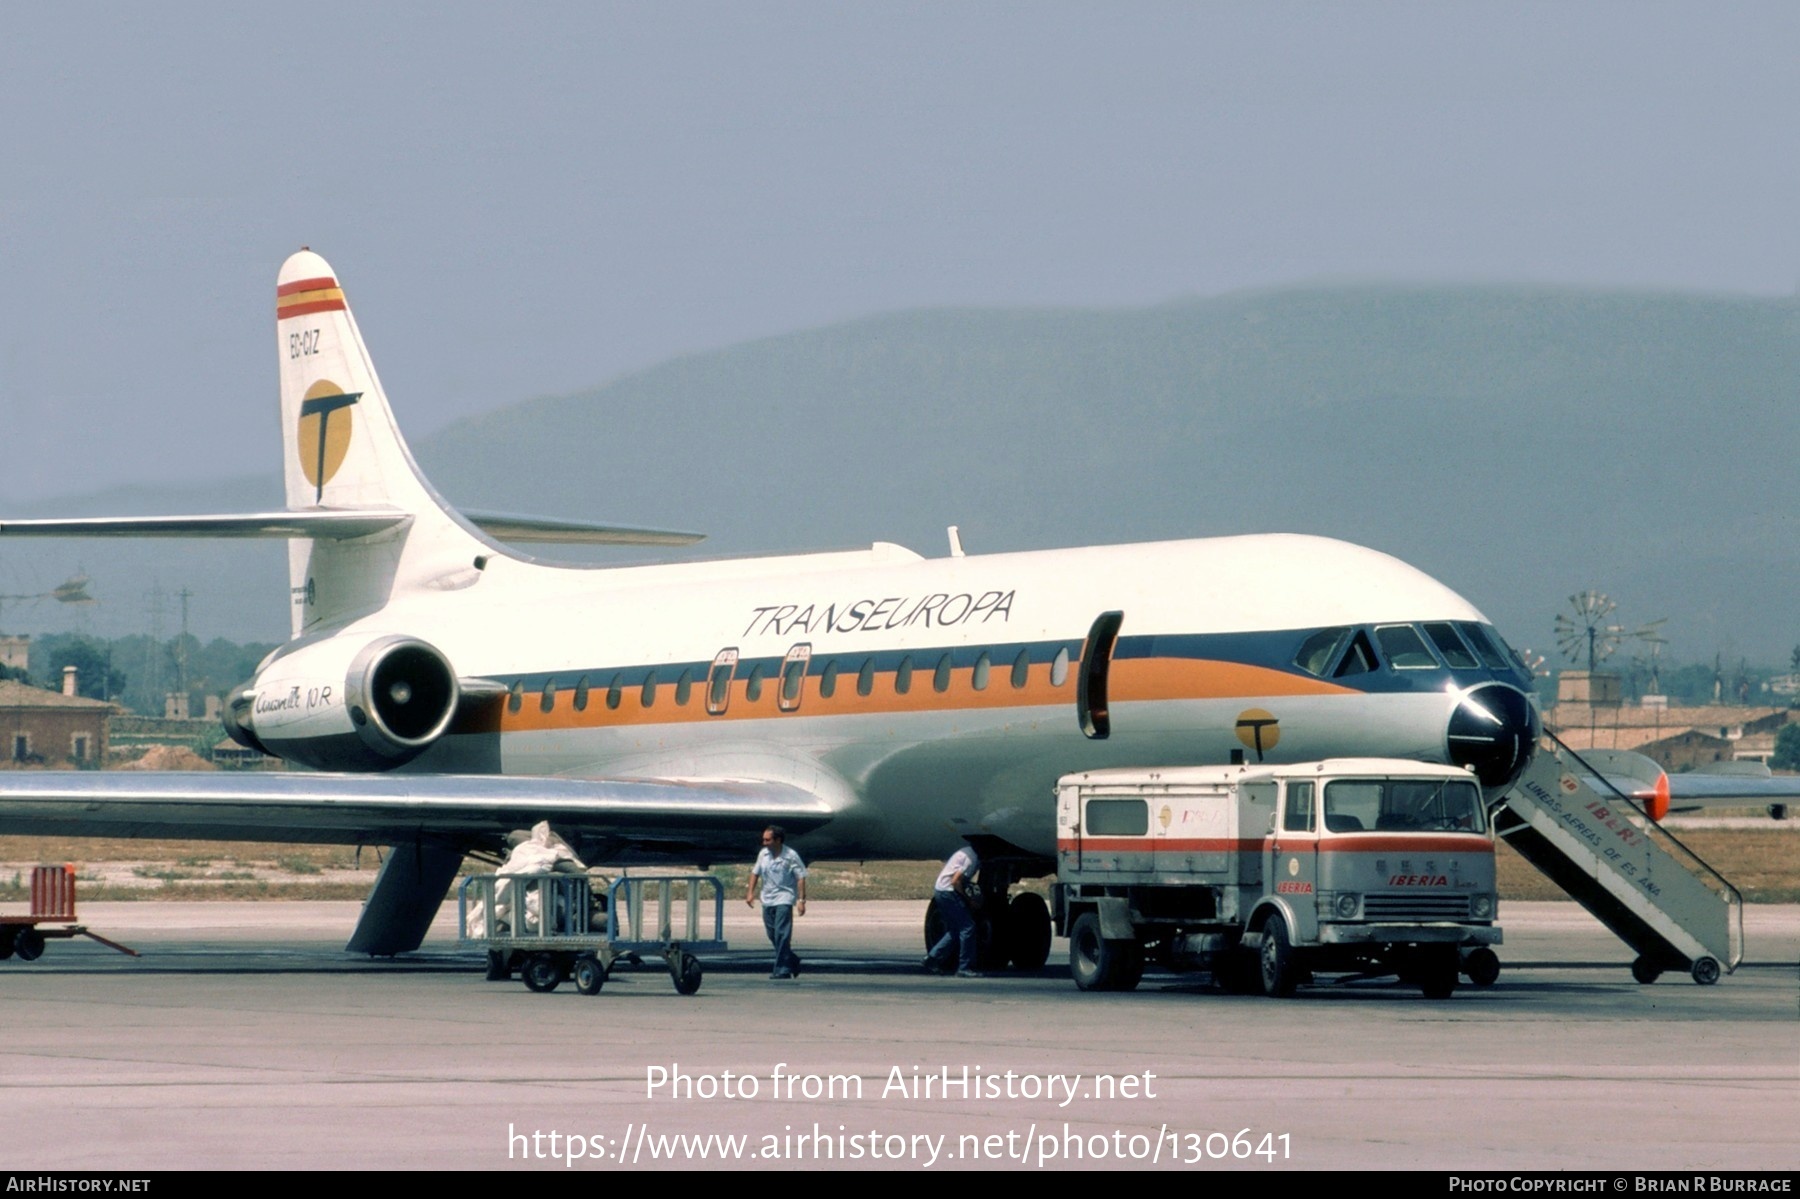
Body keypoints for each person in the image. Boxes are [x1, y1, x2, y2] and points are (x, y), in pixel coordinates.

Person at [745, 824, 806, 980]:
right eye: (763, 840)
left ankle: (782, 969)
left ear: (778, 840)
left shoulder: (791, 855)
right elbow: (755, 873)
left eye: (767, 840)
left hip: (784, 898)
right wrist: (750, 893)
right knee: (772, 934)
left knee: (782, 934)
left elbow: (800, 878)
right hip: (767, 898)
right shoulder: (763, 854)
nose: (764, 843)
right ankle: (792, 960)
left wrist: (801, 900)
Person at [923, 842, 981, 978]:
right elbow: (955, 881)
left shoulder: (968, 851)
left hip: (941, 890)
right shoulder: (970, 858)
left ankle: (932, 959)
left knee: (955, 930)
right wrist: (969, 899)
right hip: (948, 892)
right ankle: (963, 967)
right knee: (968, 927)